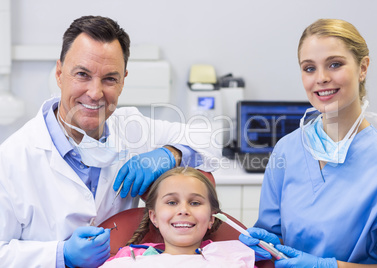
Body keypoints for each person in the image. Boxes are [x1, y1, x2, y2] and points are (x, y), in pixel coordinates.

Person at [0, 16, 220, 267]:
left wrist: (170, 154)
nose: (95, 93)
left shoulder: (132, 128)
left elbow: (209, 138)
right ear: (60, 74)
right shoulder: (11, 159)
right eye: (82, 74)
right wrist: (61, 255)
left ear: (123, 80)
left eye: (109, 79)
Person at [239, 19, 377, 267]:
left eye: (334, 64)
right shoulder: (287, 149)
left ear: (363, 68)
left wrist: (330, 266)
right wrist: (266, 244)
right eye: (309, 68)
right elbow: (275, 235)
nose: (322, 78)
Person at [100, 167, 255, 268]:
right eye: (172, 202)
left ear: (211, 218)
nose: (183, 210)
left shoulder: (233, 258)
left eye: (195, 203)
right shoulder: (128, 261)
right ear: (153, 217)